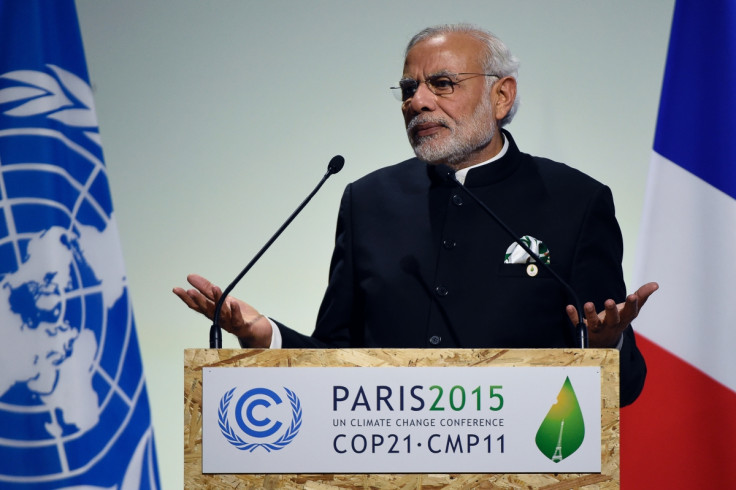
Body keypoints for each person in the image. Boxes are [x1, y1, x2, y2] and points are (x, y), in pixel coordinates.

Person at [173, 24, 657, 406]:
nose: (417, 101)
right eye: (408, 88)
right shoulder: (368, 200)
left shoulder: (576, 200)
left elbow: (626, 386)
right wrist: (267, 336)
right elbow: (337, 361)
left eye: (441, 84)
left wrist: (606, 345)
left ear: (501, 96)